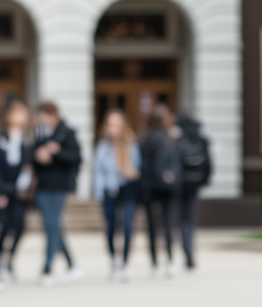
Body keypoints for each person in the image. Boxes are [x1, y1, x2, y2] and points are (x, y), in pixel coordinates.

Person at [32, 100, 82, 286]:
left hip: (60, 187)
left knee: (52, 225)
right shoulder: (39, 131)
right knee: (53, 226)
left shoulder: (67, 132)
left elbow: (76, 157)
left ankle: (48, 265)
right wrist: (38, 155)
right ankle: (71, 265)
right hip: (43, 186)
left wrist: (56, 152)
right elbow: (30, 155)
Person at [0, 99, 34, 282]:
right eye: (18, 112)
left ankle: (9, 259)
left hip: (20, 193)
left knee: (20, 226)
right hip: (2, 192)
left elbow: (27, 165)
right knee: (2, 227)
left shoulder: (26, 138)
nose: (22, 116)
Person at [93, 110, 141, 282]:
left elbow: (137, 167)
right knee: (111, 227)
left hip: (127, 190)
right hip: (109, 191)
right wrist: (98, 193)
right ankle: (113, 260)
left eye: (117, 124)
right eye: (110, 124)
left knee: (128, 226)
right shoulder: (103, 146)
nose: (113, 128)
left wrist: (130, 171)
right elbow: (98, 171)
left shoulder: (131, 143)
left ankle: (126, 262)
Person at [142, 103, 183, 277]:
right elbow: (172, 162)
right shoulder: (167, 139)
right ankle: (169, 260)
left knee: (152, 226)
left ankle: (154, 263)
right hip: (165, 187)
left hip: (150, 187)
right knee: (167, 223)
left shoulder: (145, 138)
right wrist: (170, 176)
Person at [176, 111, 212, 270]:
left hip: (181, 184)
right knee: (190, 219)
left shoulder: (179, 139)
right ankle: (190, 251)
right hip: (195, 184)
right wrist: (204, 180)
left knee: (182, 220)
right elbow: (209, 162)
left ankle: (187, 250)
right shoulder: (201, 139)